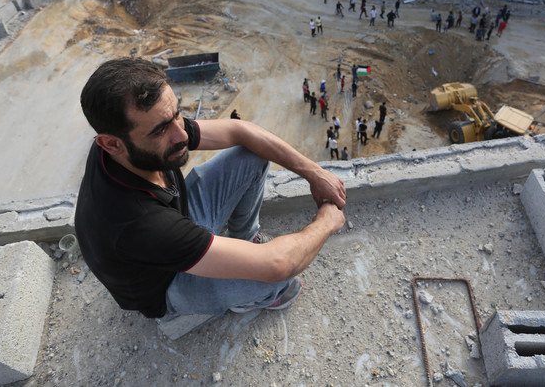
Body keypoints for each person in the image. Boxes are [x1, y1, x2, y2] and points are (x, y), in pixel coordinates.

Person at [75, 58, 346, 320]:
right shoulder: (138, 223)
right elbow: (279, 264)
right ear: (111, 144)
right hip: (167, 284)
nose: (181, 135)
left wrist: (315, 173)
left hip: (174, 226)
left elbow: (240, 131)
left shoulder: (127, 143)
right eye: (160, 131)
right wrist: (326, 222)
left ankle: (246, 238)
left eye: (177, 114)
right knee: (279, 278)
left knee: (251, 154)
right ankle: (252, 298)